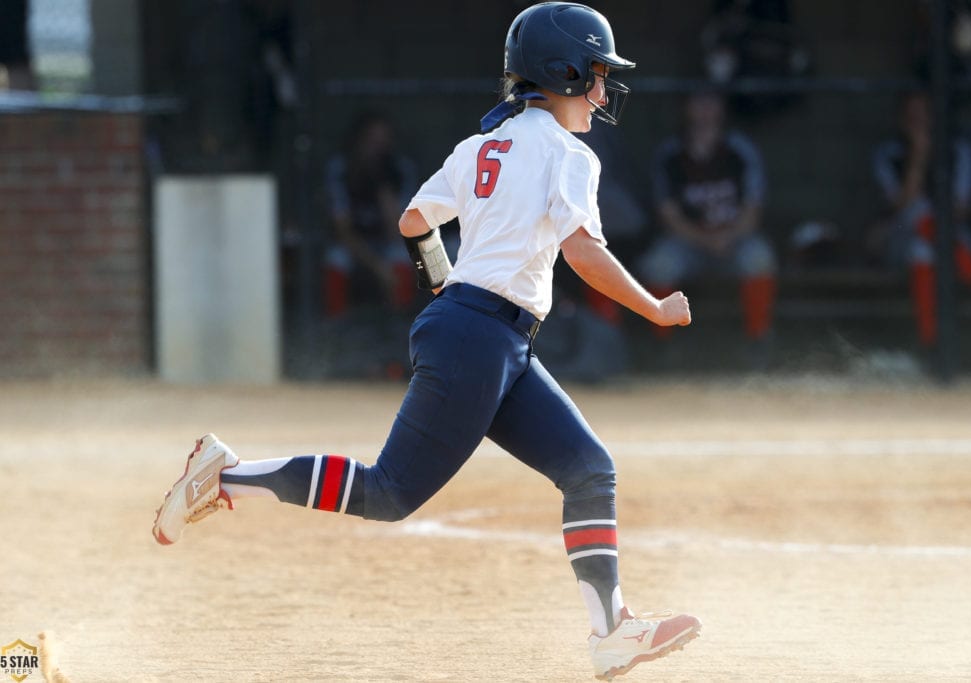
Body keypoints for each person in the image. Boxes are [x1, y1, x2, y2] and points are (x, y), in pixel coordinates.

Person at [152, 3, 700, 680]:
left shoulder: (481, 147)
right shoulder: (569, 155)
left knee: (589, 469)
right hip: (482, 337)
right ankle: (225, 476)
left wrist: (444, 287)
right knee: (388, 492)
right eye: (592, 74)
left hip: (491, 337)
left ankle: (612, 631)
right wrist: (652, 306)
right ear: (558, 72)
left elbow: (416, 219)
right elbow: (583, 252)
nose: (600, 91)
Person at [638, 92, 777, 365]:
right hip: (688, 241)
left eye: (711, 102)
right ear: (686, 109)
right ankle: (662, 346)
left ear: (722, 109)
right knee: (659, 264)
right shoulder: (671, 154)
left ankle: (758, 341)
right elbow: (669, 215)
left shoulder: (739, 150)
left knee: (759, 257)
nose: (704, 110)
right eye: (698, 102)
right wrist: (703, 238)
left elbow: (753, 209)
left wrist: (727, 236)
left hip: (734, 238)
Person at [870, 91, 971, 350]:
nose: (918, 122)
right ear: (901, 121)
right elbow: (900, 206)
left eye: (924, 115)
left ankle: (931, 344)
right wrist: (919, 155)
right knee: (918, 209)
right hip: (901, 233)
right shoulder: (887, 154)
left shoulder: (958, 150)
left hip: (948, 236)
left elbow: (961, 210)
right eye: (912, 116)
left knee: (922, 251)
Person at [323, 111, 419, 316]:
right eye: (371, 141)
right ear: (358, 141)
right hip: (355, 243)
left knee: (401, 256)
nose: (377, 149)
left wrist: (383, 189)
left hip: (387, 240)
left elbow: (401, 230)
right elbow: (343, 231)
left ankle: (399, 322)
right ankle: (334, 325)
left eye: (383, 142)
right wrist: (378, 267)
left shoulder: (399, 169)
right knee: (336, 258)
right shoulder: (341, 169)